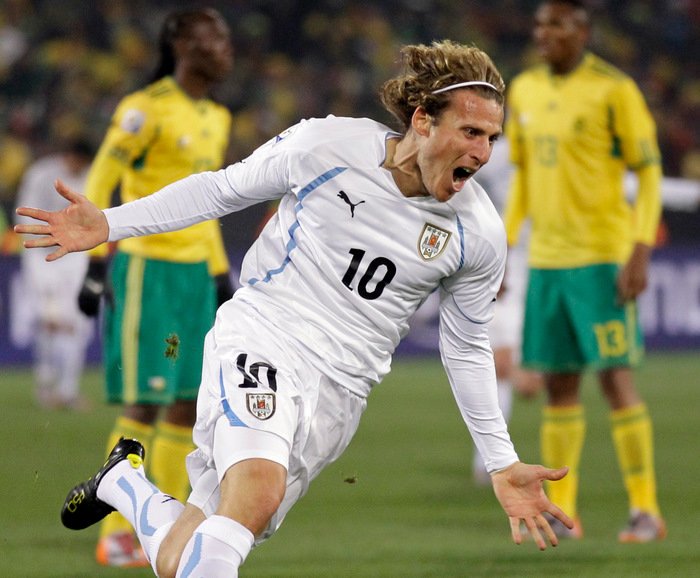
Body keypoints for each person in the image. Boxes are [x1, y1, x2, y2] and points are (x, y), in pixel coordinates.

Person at [17, 40, 574, 578]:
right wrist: (111, 223)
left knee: (187, 553)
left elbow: (467, 346)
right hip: (266, 337)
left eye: (492, 138)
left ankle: (123, 482)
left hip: (341, 393)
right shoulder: (326, 147)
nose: (482, 153)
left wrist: (501, 461)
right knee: (257, 492)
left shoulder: (478, 232)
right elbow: (219, 190)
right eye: (471, 132)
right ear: (424, 120)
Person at [73, 8, 235, 567]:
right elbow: (101, 179)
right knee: (145, 401)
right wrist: (97, 263)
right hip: (149, 270)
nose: (225, 46)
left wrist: (220, 275)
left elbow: (209, 205)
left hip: (195, 275)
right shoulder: (144, 108)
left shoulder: (217, 116)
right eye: (212, 37)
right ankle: (116, 532)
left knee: (189, 405)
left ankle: (160, 528)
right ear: (181, 44)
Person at [503, 0, 666, 542]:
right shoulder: (524, 89)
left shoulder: (614, 89)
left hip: (601, 258)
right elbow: (523, 178)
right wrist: (504, 245)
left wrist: (640, 248)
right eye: (538, 24)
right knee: (558, 386)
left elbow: (649, 172)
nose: (542, 32)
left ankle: (645, 510)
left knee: (616, 380)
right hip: (547, 261)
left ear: (581, 30)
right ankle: (563, 511)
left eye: (555, 23)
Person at [471, 137, 542, 485]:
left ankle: (490, 462)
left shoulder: (556, 149)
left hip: (543, 264)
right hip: (502, 261)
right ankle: (491, 462)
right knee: (503, 366)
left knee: (513, 376)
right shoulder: (496, 155)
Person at [12, 138, 95, 410]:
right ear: (67, 155)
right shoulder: (42, 174)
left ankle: (68, 390)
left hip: (76, 256)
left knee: (77, 323)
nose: (77, 166)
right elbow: (25, 215)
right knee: (50, 321)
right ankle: (46, 382)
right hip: (42, 255)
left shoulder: (91, 177)